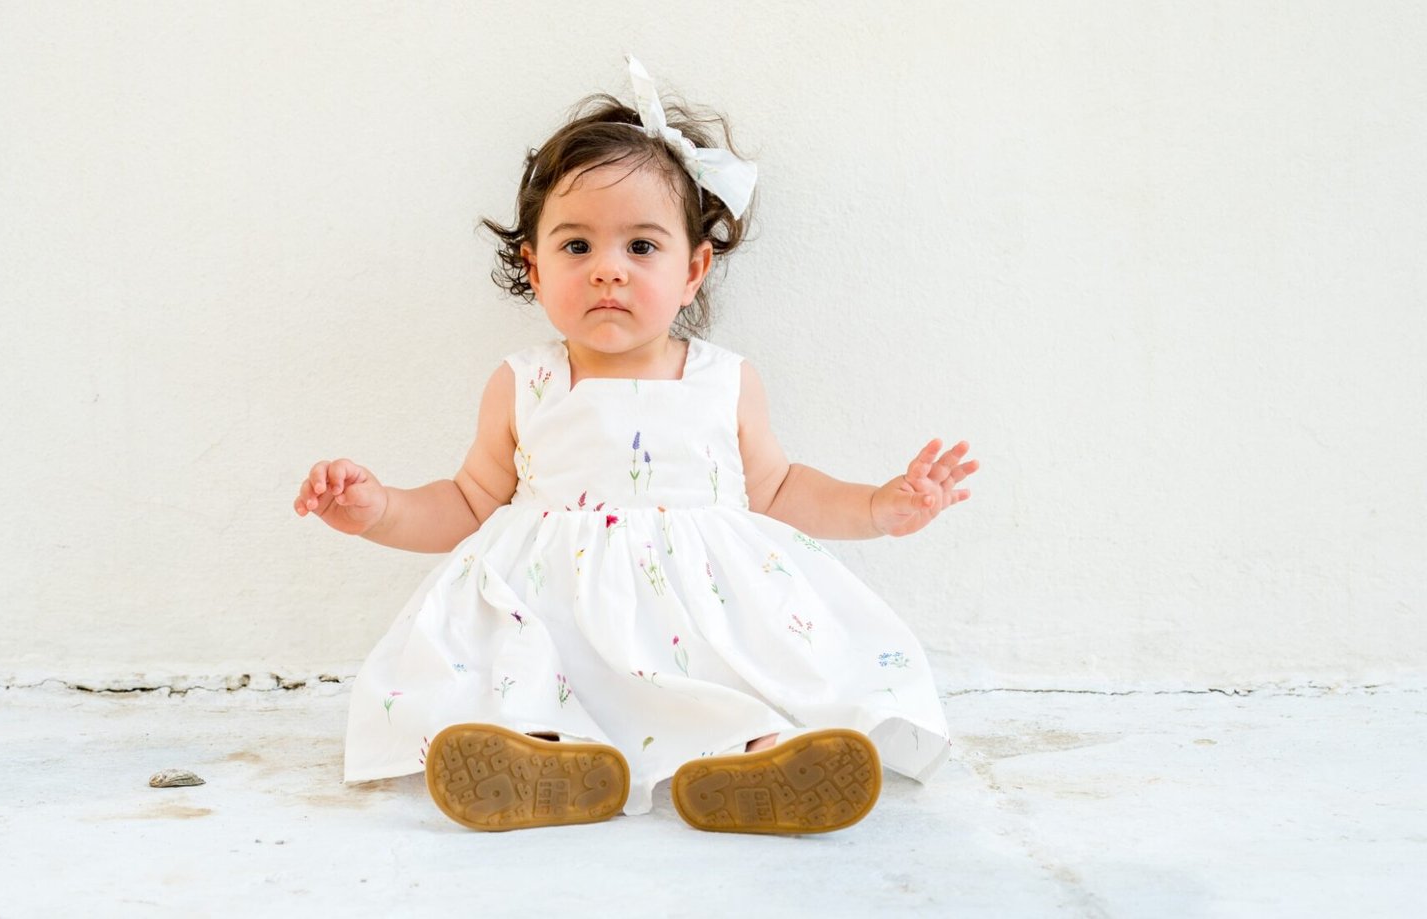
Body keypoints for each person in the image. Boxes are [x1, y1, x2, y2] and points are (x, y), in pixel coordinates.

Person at [294, 56, 978, 835]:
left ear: (693, 269)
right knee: (524, 668)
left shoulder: (724, 380)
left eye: (641, 248)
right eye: (577, 247)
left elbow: (781, 489)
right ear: (534, 267)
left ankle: (763, 759)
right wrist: (378, 509)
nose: (607, 271)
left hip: (697, 610)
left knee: (739, 677)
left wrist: (879, 506)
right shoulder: (525, 383)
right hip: (560, 609)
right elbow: (466, 502)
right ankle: (544, 758)